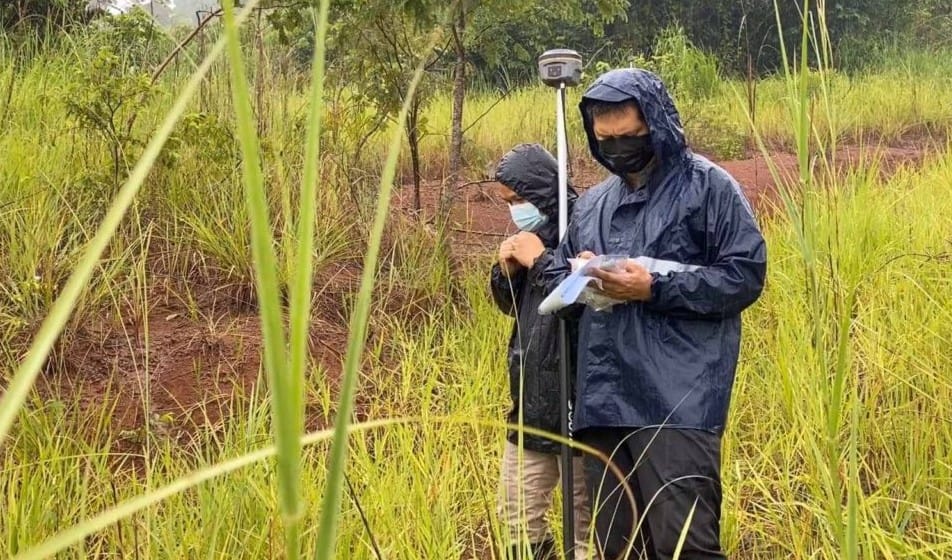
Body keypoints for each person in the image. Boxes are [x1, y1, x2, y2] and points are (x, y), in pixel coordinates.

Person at [538, 68, 768, 559]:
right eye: (607, 140)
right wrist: (578, 273)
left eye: (630, 137)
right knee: (617, 547)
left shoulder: (709, 188)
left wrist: (654, 287)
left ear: (656, 124)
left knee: (685, 545)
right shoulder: (594, 203)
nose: (619, 148)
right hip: (603, 396)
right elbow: (557, 274)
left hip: (678, 399)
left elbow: (744, 274)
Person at [489, 143, 591, 560]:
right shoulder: (529, 237)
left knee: (586, 524)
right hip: (531, 403)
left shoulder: (586, 226)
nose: (515, 209)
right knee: (515, 517)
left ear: (544, 191)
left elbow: (580, 303)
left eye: (520, 199)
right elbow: (512, 307)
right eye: (509, 201)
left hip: (582, 407)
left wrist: (542, 260)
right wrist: (506, 272)